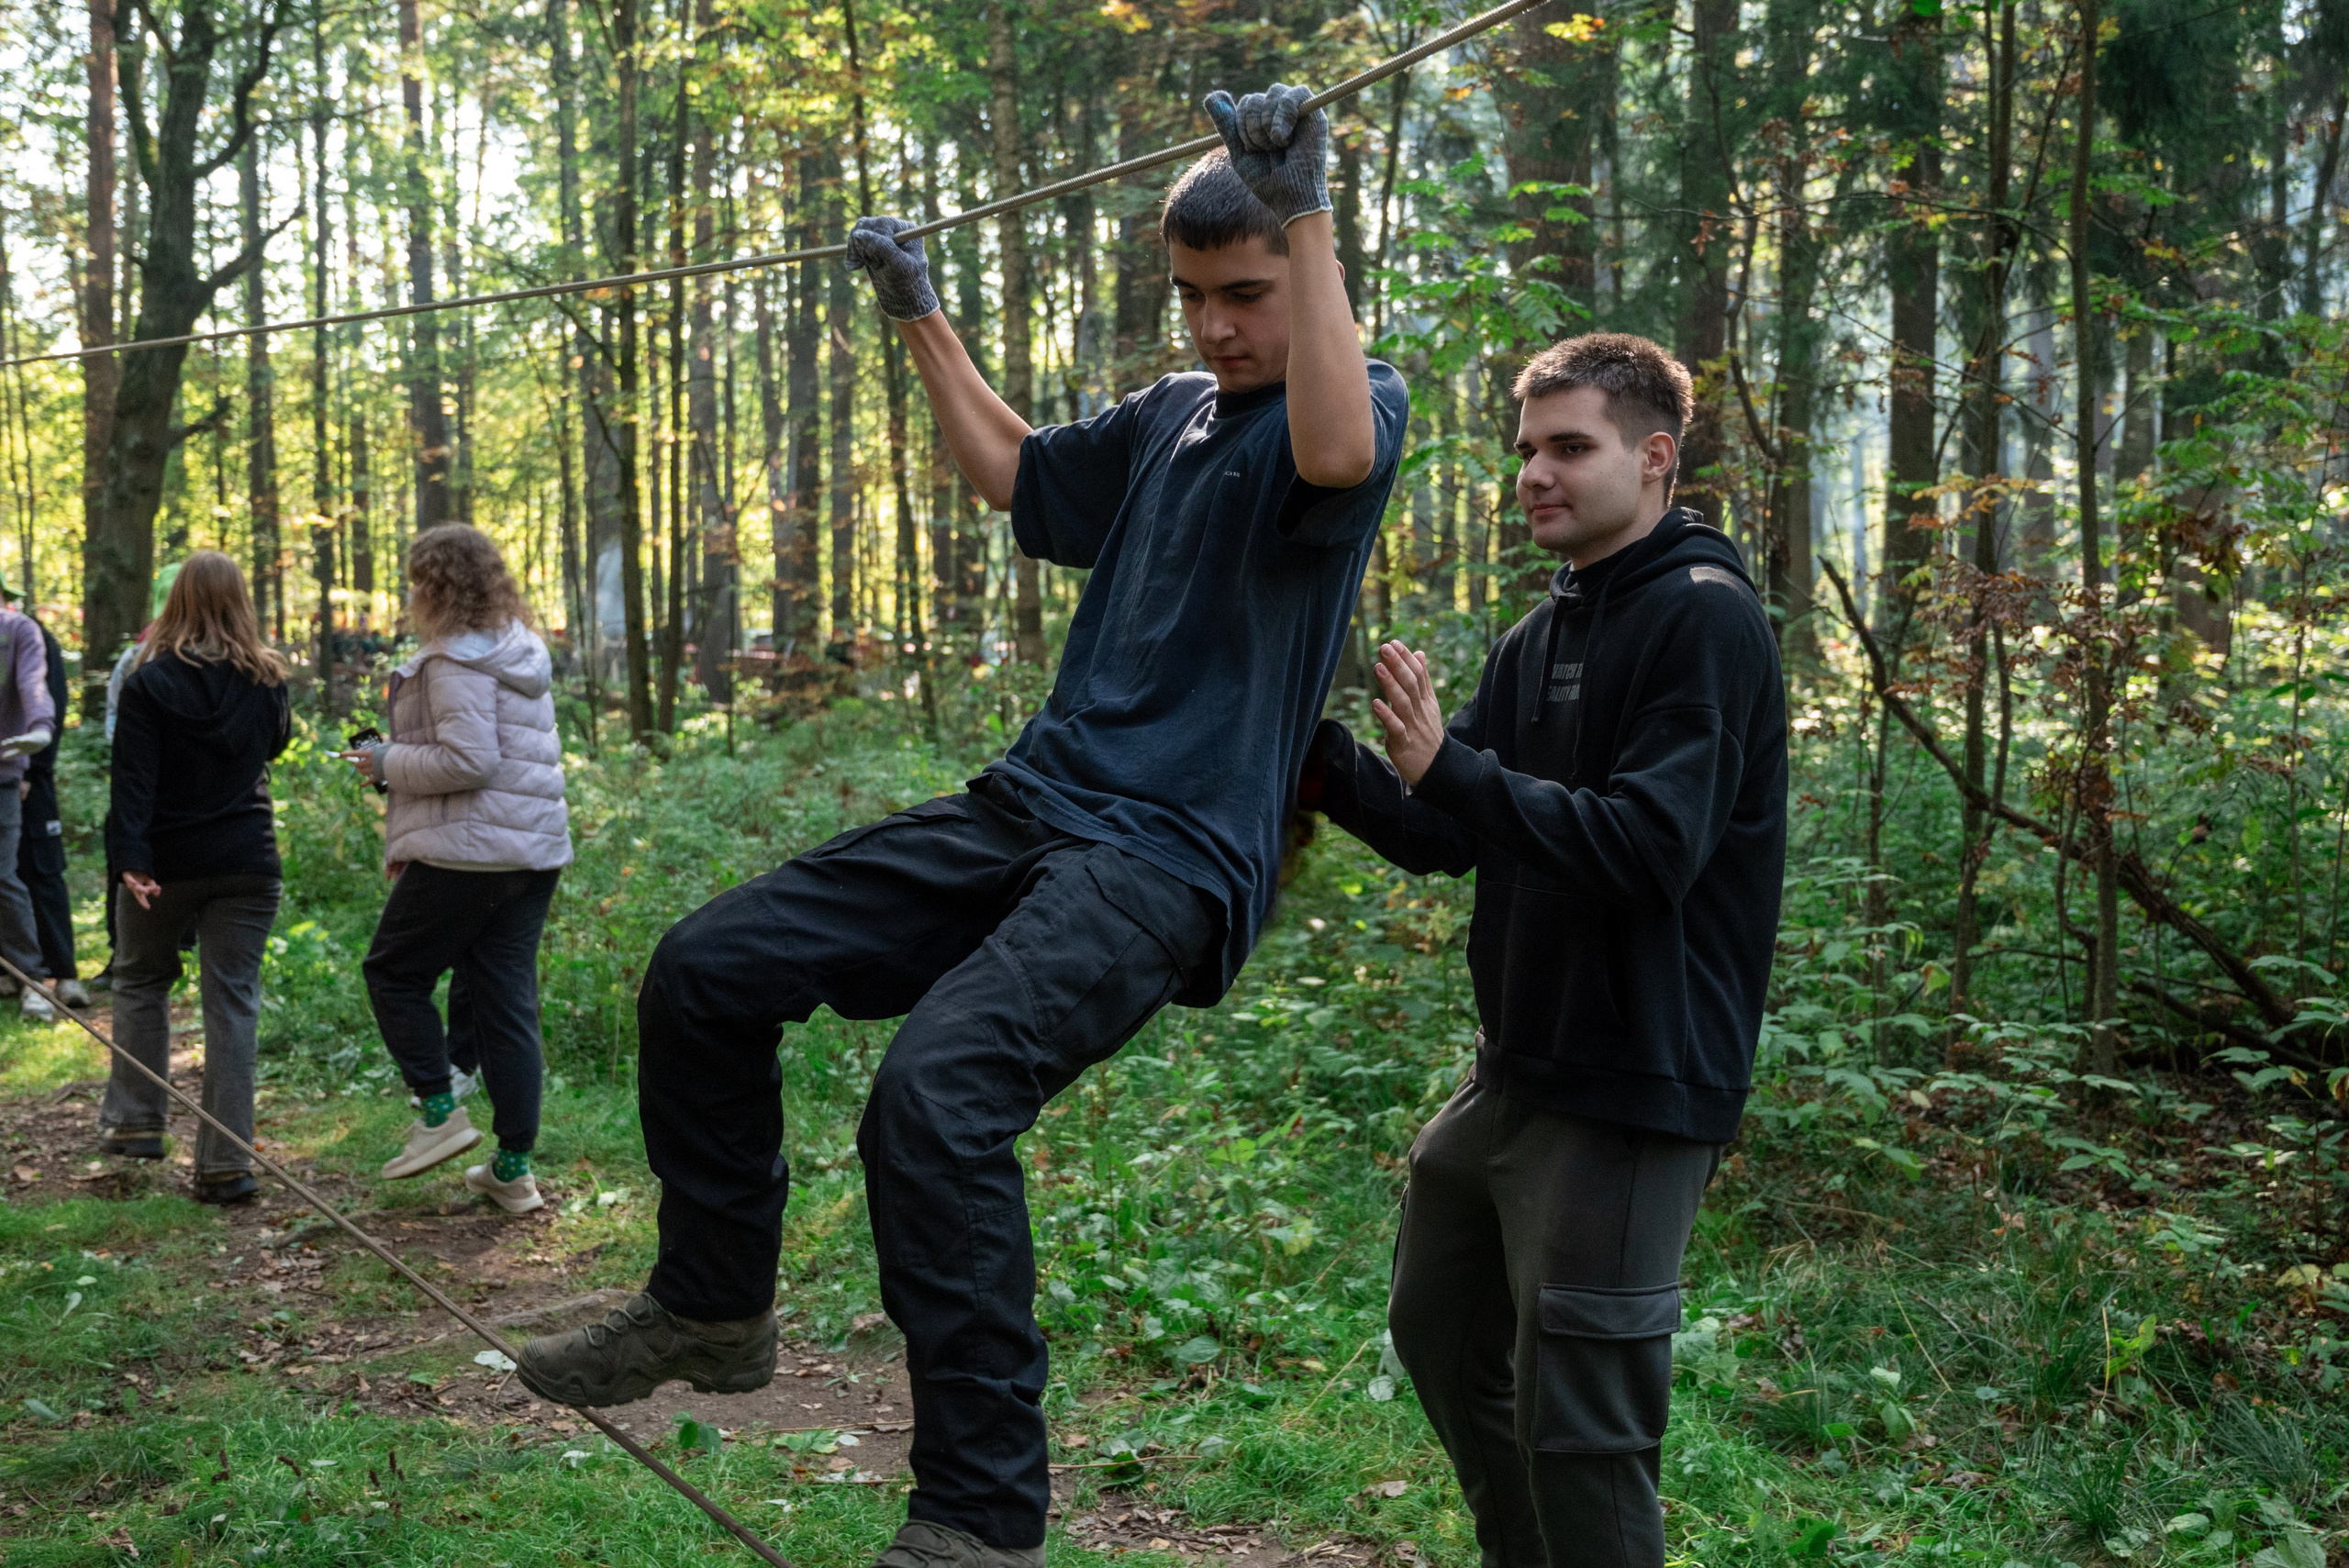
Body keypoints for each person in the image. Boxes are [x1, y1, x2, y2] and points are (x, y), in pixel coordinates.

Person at [518, 83, 1409, 1568]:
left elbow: (1329, 450)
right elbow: (1016, 474)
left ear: (1306, 273)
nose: (1214, 329)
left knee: (934, 1098)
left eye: (1245, 296)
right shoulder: (1174, 412)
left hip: (1166, 851)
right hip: (1029, 803)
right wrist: (918, 308)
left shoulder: (1349, 400)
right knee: (706, 965)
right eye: (1192, 297)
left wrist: (1305, 205)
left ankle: (980, 1521)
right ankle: (716, 1303)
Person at [1300, 333, 1787, 1568]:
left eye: (1571, 447)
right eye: (1527, 449)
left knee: (1587, 1431)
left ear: (1656, 456)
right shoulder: (1542, 634)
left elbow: (1650, 850)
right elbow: (1437, 829)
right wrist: (1310, 746)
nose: (1535, 474)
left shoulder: (1704, 621)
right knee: (1440, 1325)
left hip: (1631, 1089)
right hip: (1515, 1074)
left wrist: (1456, 770)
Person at [342, 524, 572, 1216]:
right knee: (505, 1002)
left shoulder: (452, 662)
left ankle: (440, 1111)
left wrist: (383, 762)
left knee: (394, 970)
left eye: (417, 582)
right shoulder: (519, 650)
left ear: (434, 586)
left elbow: (471, 761)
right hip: (531, 852)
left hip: (469, 854)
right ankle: (513, 1170)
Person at [96, 552, 292, 1205]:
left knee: (142, 979)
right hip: (246, 861)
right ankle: (224, 1164)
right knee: (232, 1003)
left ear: (175, 599)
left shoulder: (149, 683)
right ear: (242, 601)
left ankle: (134, 1124)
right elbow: (274, 746)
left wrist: (131, 860)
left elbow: (132, 779)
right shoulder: (267, 679)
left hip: (168, 862)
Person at [8, 584, 90, 1010]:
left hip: (30, 779)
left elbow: (48, 708)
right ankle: (16, 971)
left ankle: (65, 973)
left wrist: (34, 770)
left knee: (43, 872)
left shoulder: (33, 636)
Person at [0, 573, 57, 1021]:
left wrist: (39, 728)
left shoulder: (18, 630)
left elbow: (32, 683)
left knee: (3, 875)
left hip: (2, 771)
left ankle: (31, 978)